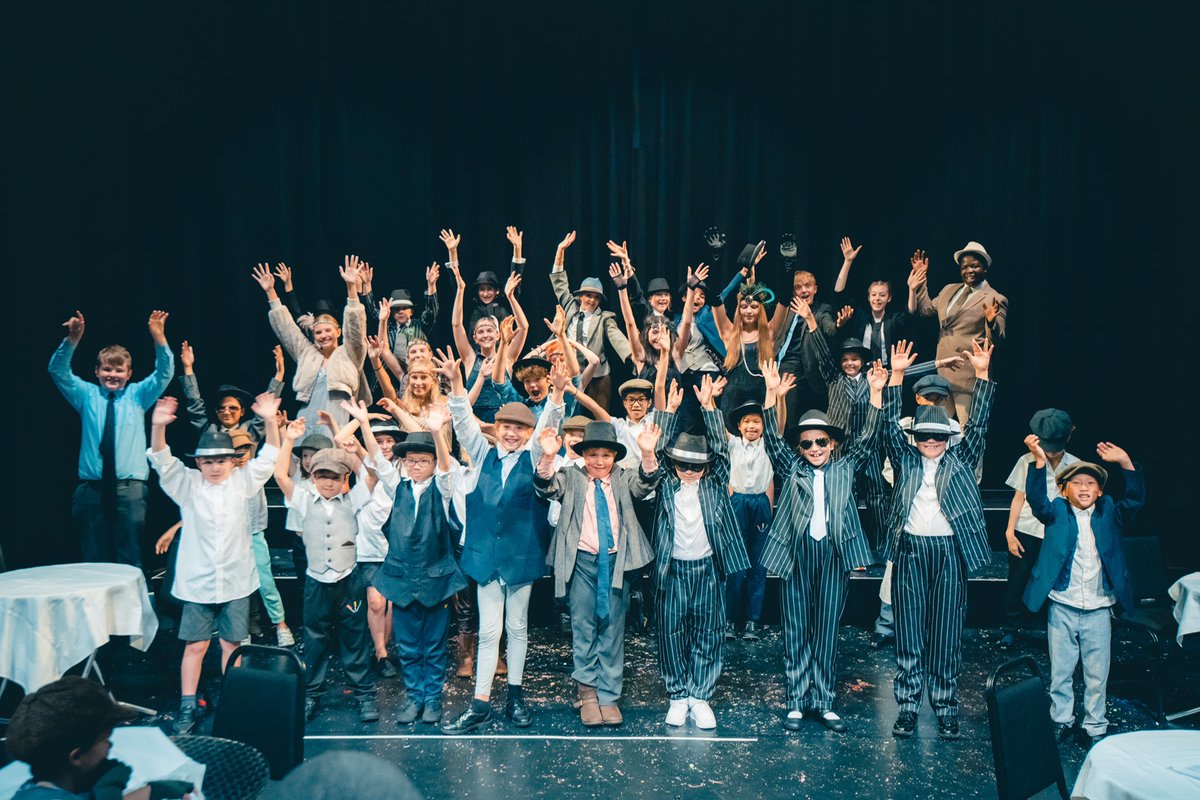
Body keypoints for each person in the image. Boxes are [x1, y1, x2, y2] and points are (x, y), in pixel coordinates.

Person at [760, 360, 886, 733]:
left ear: (832, 443)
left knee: (827, 628)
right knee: (796, 628)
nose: (815, 448)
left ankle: (825, 700)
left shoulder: (845, 467)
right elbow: (770, 440)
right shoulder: (792, 469)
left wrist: (877, 394)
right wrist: (771, 395)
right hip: (797, 556)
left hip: (833, 555)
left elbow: (867, 442)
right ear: (799, 448)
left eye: (821, 441)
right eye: (807, 443)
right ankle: (797, 701)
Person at [439, 354, 560, 735]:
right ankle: (479, 703)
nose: (511, 433)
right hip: (487, 560)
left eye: (518, 428)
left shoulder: (535, 456)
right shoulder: (482, 455)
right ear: (497, 428)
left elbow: (549, 426)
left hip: (520, 560)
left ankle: (516, 697)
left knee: (518, 628)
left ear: (526, 433)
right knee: (490, 631)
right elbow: (461, 425)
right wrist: (458, 386)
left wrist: (556, 395)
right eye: (506, 426)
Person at [882, 338, 995, 740]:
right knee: (909, 631)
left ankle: (946, 707)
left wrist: (981, 375)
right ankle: (908, 706)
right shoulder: (906, 456)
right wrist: (895, 378)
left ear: (949, 438)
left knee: (946, 634)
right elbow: (886, 426)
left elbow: (979, 426)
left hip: (949, 551)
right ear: (915, 438)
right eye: (925, 437)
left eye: (938, 438)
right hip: (911, 549)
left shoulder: (960, 458)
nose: (931, 444)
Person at [147, 393, 280, 734]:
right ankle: (187, 706)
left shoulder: (242, 482)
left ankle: (232, 699)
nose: (215, 466)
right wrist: (158, 426)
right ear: (198, 464)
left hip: (236, 580)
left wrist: (268, 420)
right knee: (196, 644)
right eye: (208, 461)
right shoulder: (188, 485)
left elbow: (269, 457)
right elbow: (162, 459)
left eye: (222, 460)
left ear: (233, 461)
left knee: (232, 644)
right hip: (199, 582)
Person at [535, 418, 662, 727]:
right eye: (592, 454)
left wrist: (647, 453)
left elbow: (646, 484)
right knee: (583, 627)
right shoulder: (572, 476)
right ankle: (588, 693)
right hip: (582, 563)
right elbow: (547, 485)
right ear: (583, 455)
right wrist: (549, 457)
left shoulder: (622, 476)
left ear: (615, 457)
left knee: (612, 629)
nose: (599, 461)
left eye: (605, 455)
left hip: (615, 563)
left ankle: (608, 694)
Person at [274, 404, 396, 724]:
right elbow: (278, 474)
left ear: (344, 479)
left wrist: (360, 426)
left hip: (347, 580)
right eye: (322, 476)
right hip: (316, 581)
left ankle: (365, 695)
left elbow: (371, 474)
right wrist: (288, 440)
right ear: (313, 477)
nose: (328, 482)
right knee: (313, 641)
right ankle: (311, 695)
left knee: (354, 639)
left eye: (335, 476)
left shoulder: (353, 500)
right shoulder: (303, 499)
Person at [1021, 438, 1143, 746]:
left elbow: (1134, 501)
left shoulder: (1110, 512)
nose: (1084, 488)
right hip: (1063, 604)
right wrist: (1038, 462)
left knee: (1097, 672)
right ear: (1064, 490)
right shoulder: (1057, 512)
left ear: (1100, 491)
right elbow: (1035, 500)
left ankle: (1095, 725)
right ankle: (1061, 719)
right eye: (1076, 483)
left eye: (1091, 483)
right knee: (1061, 670)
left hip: (1099, 608)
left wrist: (1126, 463)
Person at [651, 375, 750, 730]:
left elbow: (723, 452)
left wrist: (710, 407)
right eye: (683, 465)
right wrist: (667, 413)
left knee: (710, 631)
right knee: (670, 631)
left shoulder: (712, 483)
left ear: (706, 467)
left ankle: (700, 695)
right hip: (672, 570)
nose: (690, 471)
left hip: (708, 569)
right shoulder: (667, 484)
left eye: (696, 466)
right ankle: (678, 694)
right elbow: (656, 453)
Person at [49, 309, 174, 568]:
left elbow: (164, 373)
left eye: (119, 370)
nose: (112, 375)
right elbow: (57, 371)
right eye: (107, 369)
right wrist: (72, 340)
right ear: (97, 371)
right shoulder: (86, 395)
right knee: (93, 555)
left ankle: (131, 609)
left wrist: (159, 339)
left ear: (129, 374)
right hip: (91, 488)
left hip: (129, 488)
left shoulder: (138, 395)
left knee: (130, 554)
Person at [374, 418, 468, 726]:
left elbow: (446, 470)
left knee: (434, 646)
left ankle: (432, 699)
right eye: (412, 461)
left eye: (423, 461)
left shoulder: (441, 490)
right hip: (401, 580)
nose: (417, 466)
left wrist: (439, 433)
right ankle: (414, 697)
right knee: (409, 645)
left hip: (434, 581)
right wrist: (363, 421)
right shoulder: (397, 488)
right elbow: (377, 460)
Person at [5, 677, 193, 800]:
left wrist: (152, 791)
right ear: (76, 757)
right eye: (105, 740)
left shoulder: (33, 789)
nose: (110, 746)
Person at [253, 256, 370, 438]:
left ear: (338, 332)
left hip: (336, 418)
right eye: (318, 333)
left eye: (327, 331)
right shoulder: (308, 353)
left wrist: (351, 288)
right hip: (306, 418)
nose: (323, 336)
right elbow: (287, 329)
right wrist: (271, 293)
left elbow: (356, 328)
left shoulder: (349, 353)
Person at [1000, 408, 1081, 648]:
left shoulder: (1075, 464)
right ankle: (1010, 628)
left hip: (1058, 534)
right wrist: (1009, 532)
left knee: (1054, 580)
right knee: (1017, 580)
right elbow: (1018, 498)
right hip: (1027, 529)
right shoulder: (1026, 461)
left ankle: (1052, 629)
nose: (1051, 450)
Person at [907, 243, 1008, 424]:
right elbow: (925, 310)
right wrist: (920, 283)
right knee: (937, 428)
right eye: (964, 267)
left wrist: (991, 322)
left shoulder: (994, 298)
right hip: (943, 373)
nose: (969, 270)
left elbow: (998, 340)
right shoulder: (949, 290)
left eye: (974, 266)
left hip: (967, 378)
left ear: (985, 268)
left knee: (966, 432)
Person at [550, 231, 633, 411]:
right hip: (569, 371)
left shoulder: (604, 317)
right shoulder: (570, 306)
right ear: (580, 296)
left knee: (599, 414)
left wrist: (631, 354)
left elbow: (615, 335)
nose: (592, 300)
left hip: (598, 375)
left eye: (596, 297)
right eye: (588, 295)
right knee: (566, 413)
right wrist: (560, 250)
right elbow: (559, 281)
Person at [722, 400, 777, 641]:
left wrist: (776, 394)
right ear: (739, 426)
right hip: (738, 503)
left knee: (758, 564)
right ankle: (730, 619)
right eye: (747, 422)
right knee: (735, 564)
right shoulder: (733, 444)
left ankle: (753, 621)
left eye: (756, 421)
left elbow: (779, 421)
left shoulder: (769, 444)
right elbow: (715, 427)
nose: (752, 426)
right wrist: (709, 402)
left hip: (759, 503)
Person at [770, 268, 837, 433]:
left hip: (800, 369)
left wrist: (839, 325)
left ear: (815, 289)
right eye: (798, 287)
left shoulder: (822, 310)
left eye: (807, 286)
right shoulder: (786, 309)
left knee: (790, 420)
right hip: (776, 365)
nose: (803, 290)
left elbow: (830, 329)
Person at [177, 342, 284, 444]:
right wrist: (188, 368)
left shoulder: (250, 432)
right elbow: (195, 404)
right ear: (216, 411)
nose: (226, 412)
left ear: (242, 411)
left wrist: (279, 374)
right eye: (221, 408)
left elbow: (266, 407)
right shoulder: (208, 431)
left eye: (232, 408)